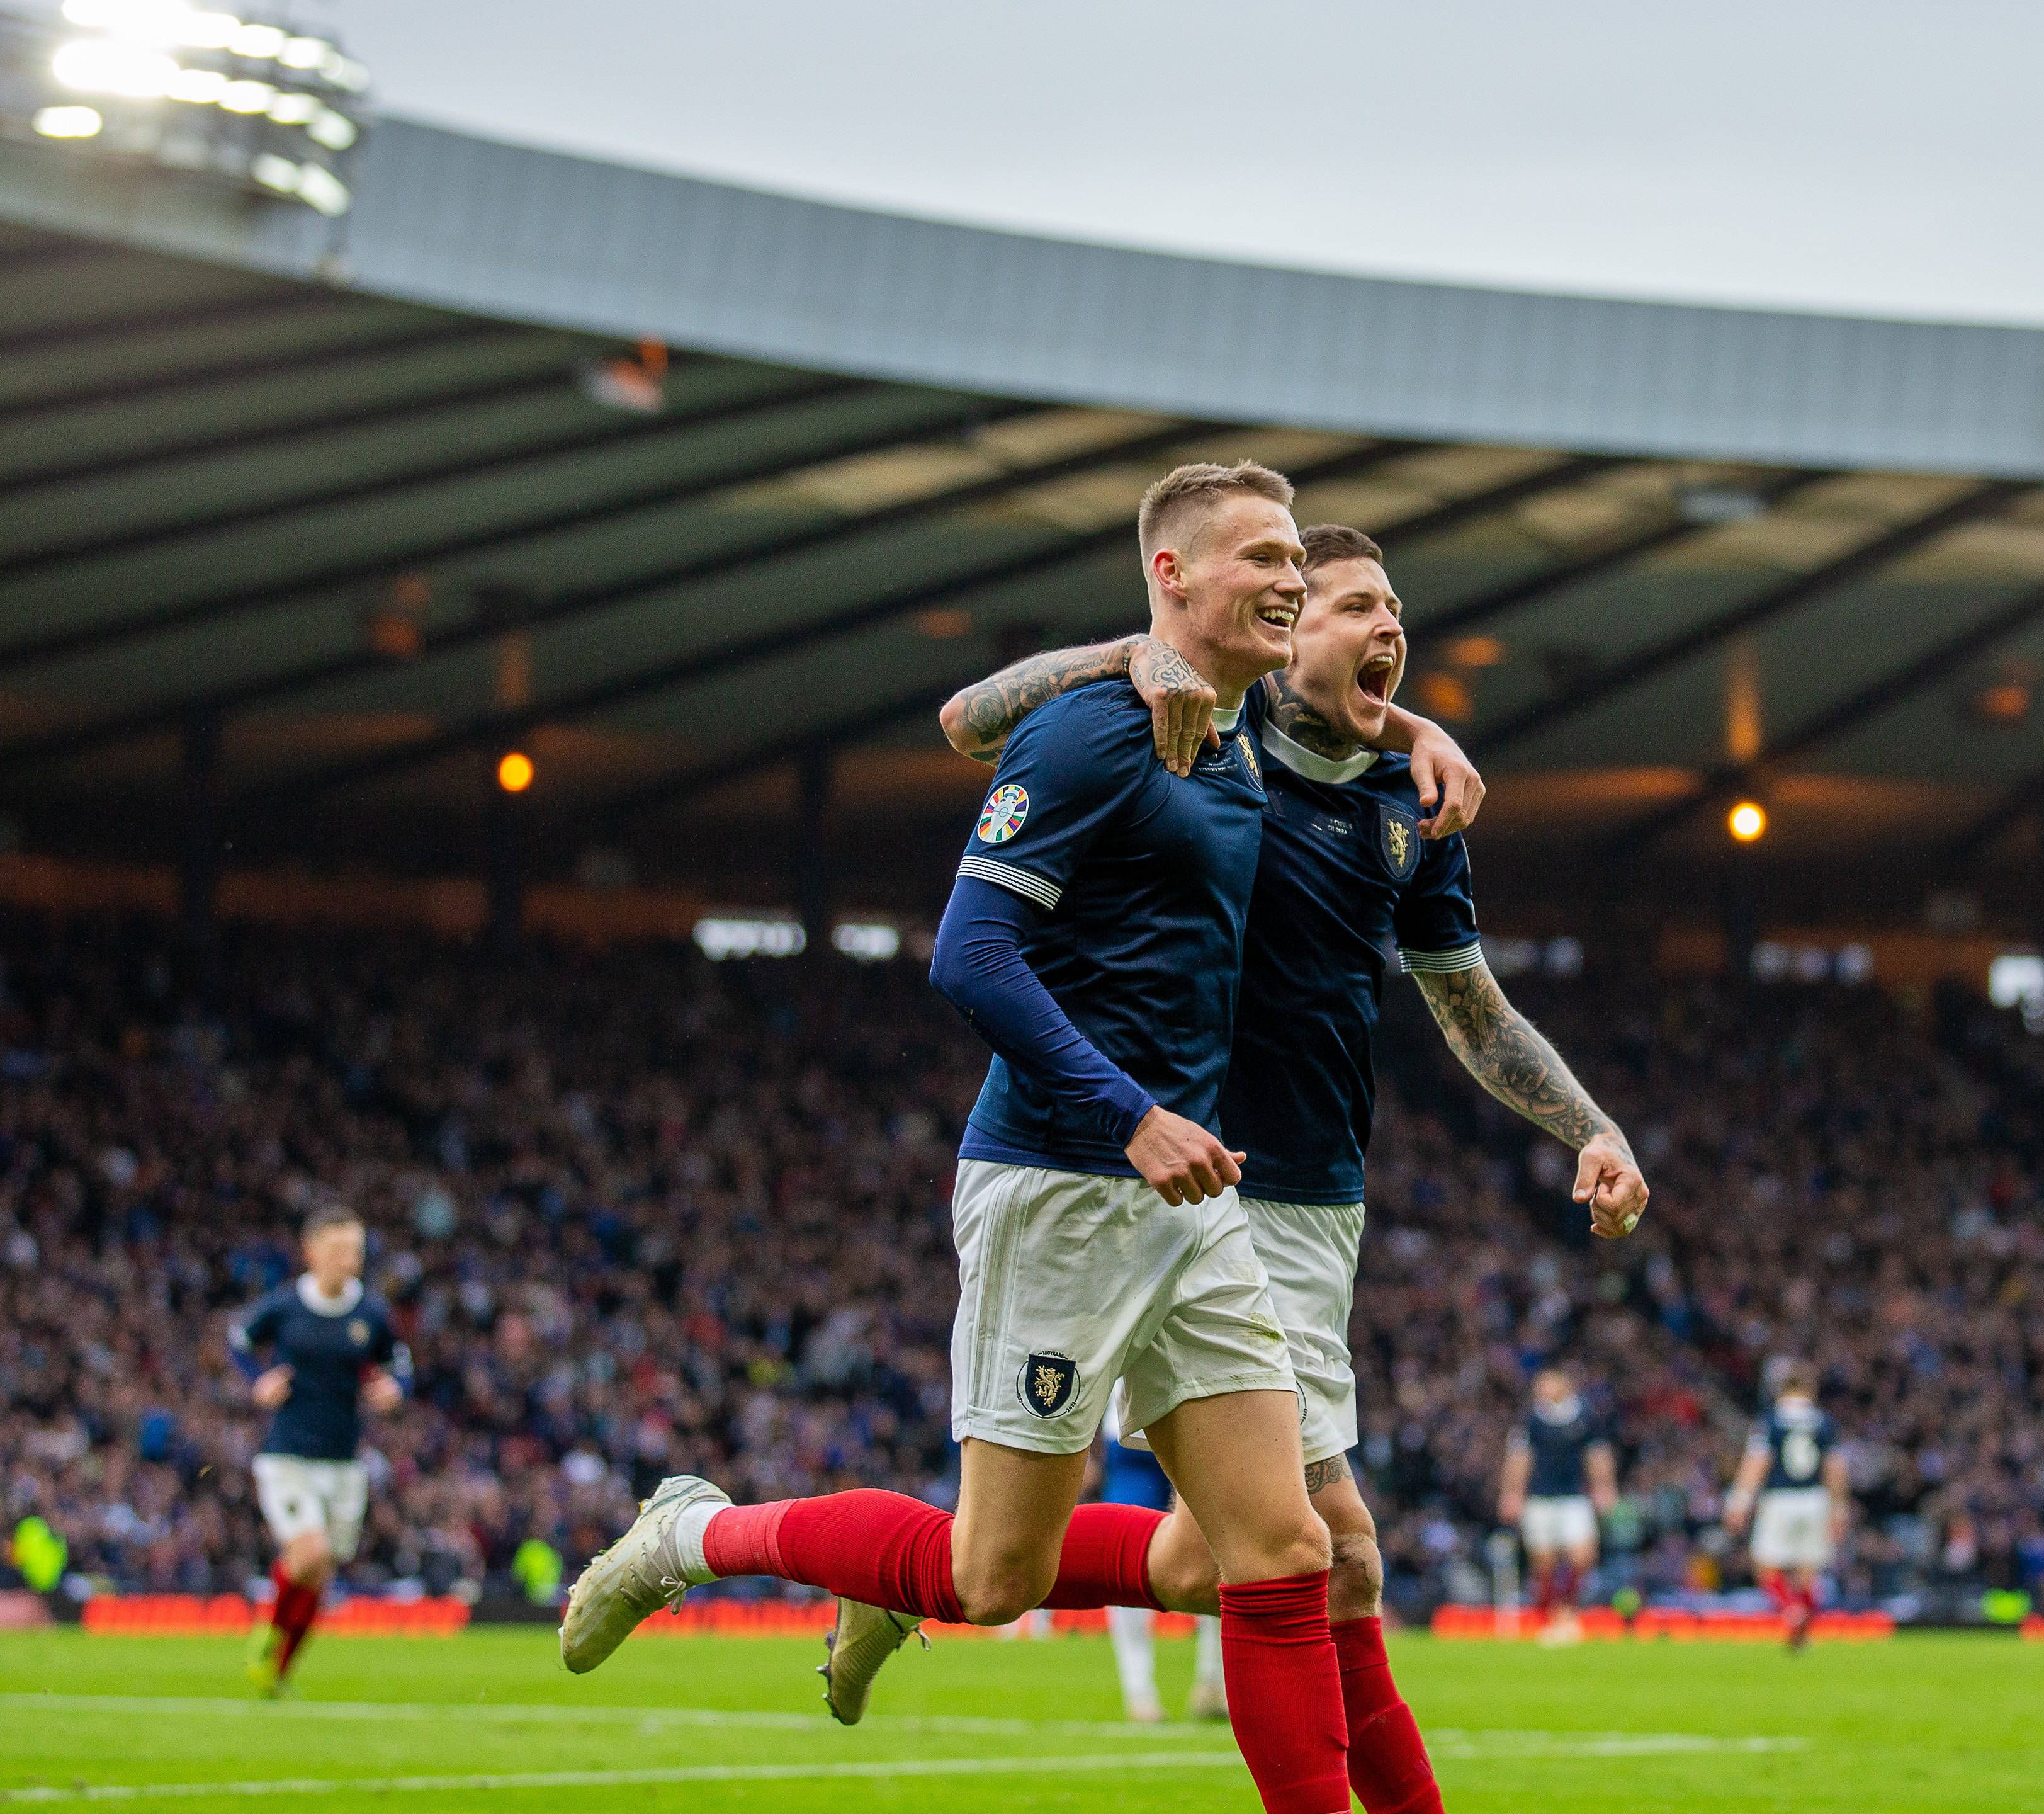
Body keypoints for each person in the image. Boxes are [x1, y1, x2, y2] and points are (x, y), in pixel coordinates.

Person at [562, 462, 1374, 1814]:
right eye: (1260, 557)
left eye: (1299, 556)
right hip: (1064, 1180)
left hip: (1193, 1197)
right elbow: (970, 955)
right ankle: (693, 1534)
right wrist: (1133, 1115)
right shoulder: (1091, 732)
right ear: (1169, 575)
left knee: (1268, 1551)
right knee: (990, 1577)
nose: (1291, 578)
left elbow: (1352, 709)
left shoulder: (1234, 734)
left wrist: (1420, 737)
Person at [906, 521, 1647, 1810]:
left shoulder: (1412, 809)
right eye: (1348, 603)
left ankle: (915, 1570)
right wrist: (1129, 653)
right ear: (1282, 629)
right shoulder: (1206, 735)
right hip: (1197, 1183)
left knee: (1210, 1562)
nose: (1381, 627)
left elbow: (1470, 1010)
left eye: (1392, 610)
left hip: (1323, 1205)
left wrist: (1590, 1126)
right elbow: (971, 719)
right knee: (1328, 1556)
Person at [227, 1206, 409, 1694]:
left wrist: (395, 1387)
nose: (350, 1259)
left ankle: (277, 1670)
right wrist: (257, 1380)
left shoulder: (370, 1312)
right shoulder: (286, 1307)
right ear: (312, 1252)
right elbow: (238, 1339)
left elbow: (399, 1360)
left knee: (320, 1574)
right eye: (339, 1249)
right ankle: (268, 1631)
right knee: (311, 1553)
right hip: (287, 1455)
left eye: (356, 1249)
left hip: (344, 1459)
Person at [1093, 1403, 1227, 1723]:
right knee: (1123, 1557)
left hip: (1199, 1428)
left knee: (1221, 1552)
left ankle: (1214, 1682)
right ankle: (1140, 1692)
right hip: (1133, 1437)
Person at [1723, 1361, 1849, 1650]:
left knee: (1765, 1565)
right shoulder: (1824, 1422)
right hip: (1815, 1498)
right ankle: (1803, 1631)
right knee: (1809, 1569)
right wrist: (1840, 1507)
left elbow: (1757, 1462)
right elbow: (1835, 1467)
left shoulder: (1771, 1421)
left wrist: (1740, 1501)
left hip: (1780, 1497)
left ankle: (1791, 1611)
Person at [1498, 1368, 1618, 1647]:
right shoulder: (1530, 1421)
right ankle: (1553, 1618)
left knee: (1582, 1556)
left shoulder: (1586, 1417)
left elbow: (1598, 1454)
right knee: (1544, 1562)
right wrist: (1512, 1493)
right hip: (1539, 1500)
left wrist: (1604, 1486)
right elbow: (1519, 1458)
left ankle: (1568, 1610)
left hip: (1574, 1497)